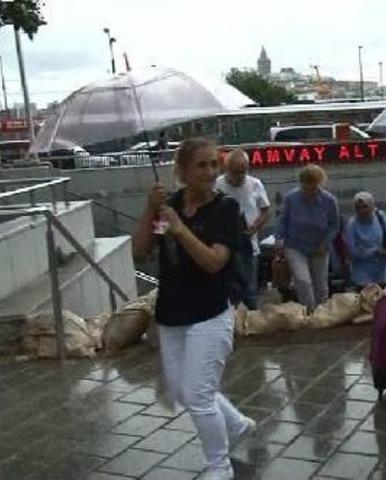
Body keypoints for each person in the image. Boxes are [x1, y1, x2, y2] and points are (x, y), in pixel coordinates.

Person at [132, 138, 254, 480]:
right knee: (184, 391)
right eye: (201, 165)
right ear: (183, 170)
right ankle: (237, 423)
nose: (210, 172)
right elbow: (141, 251)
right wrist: (150, 209)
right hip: (172, 313)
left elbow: (214, 262)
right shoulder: (168, 206)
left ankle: (220, 466)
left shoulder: (225, 210)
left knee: (199, 396)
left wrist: (180, 228)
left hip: (211, 312)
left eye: (214, 164)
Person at [276, 164, 340, 309]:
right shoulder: (291, 199)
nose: (310, 192)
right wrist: (279, 239)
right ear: (301, 184)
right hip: (295, 245)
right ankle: (309, 312)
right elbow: (283, 220)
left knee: (321, 286)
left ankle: (323, 313)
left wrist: (325, 242)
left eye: (314, 188)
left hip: (319, 246)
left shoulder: (329, 201)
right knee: (303, 280)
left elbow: (334, 225)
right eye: (307, 188)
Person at [215, 149, 271, 310]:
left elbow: (266, 209)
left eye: (243, 171)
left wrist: (256, 226)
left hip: (248, 242)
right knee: (230, 287)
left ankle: (251, 317)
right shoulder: (217, 185)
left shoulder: (255, 184)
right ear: (226, 169)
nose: (239, 176)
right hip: (225, 243)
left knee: (250, 288)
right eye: (235, 172)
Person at [344, 191, 386, 288]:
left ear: (372, 206)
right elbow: (351, 251)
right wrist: (374, 251)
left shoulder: (380, 217)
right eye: (358, 208)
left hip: (381, 269)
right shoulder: (352, 225)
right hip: (361, 271)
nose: (361, 211)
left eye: (365, 207)